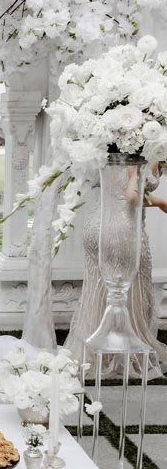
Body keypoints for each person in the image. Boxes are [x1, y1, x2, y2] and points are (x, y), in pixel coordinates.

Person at [65, 162, 167, 378]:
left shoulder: (113, 144)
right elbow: (132, 196)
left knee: (97, 294)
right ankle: (125, 357)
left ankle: (90, 356)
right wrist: (162, 203)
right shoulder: (146, 149)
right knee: (130, 293)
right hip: (122, 230)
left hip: (97, 226)